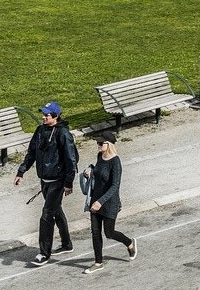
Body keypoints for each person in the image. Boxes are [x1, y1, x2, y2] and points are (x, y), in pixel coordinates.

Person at [14, 101, 78, 266]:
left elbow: (71, 160)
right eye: (43, 114)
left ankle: (44, 253)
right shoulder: (40, 130)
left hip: (58, 181)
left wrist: (68, 183)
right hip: (45, 179)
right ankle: (66, 244)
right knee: (56, 211)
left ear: (55, 117)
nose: (43, 117)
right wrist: (21, 171)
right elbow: (32, 152)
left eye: (46, 115)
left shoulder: (63, 133)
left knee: (46, 215)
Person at [81, 132, 137, 275]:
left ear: (109, 145)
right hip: (95, 200)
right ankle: (98, 262)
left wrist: (101, 202)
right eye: (98, 143)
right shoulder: (100, 156)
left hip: (109, 202)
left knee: (109, 233)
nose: (98, 145)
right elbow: (98, 173)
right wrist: (90, 171)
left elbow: (115, 185)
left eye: (101, 143)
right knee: (95, 232)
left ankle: (129, 243)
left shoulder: (115, 162)